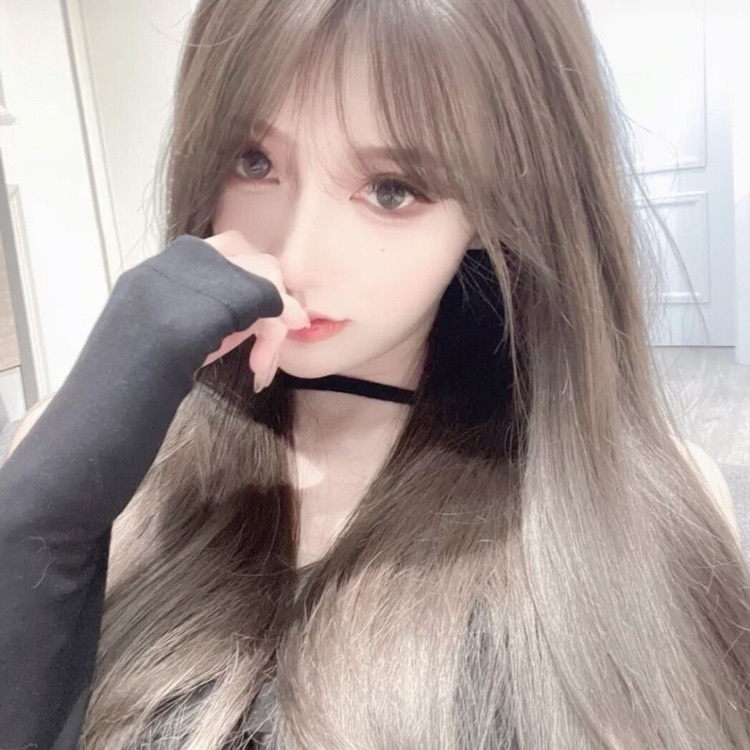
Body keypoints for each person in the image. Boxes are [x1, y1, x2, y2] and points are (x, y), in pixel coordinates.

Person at [1, 0, 749, 747]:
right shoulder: (79, 460)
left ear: (500, 206)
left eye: (392, 190)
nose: (296, 255)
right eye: (254, 162)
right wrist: (35, 526)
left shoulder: (646, 498)